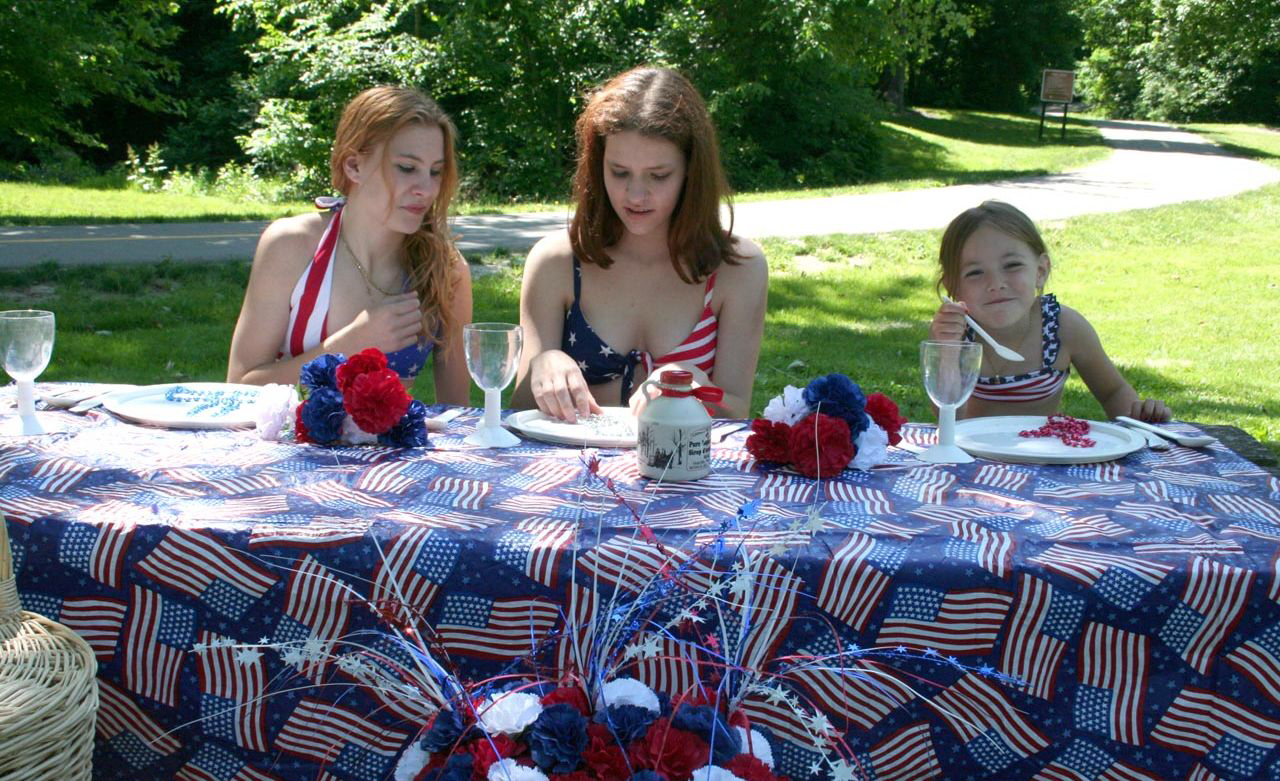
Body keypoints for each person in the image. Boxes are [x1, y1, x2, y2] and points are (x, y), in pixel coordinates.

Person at [512, 66, 767, 421]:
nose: (635, 195)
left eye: (658, 176)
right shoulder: (556, 261)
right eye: (619, 172)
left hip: (681, 459)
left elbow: (736, 413)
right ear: (597, 165)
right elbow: (520, 411)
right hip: (571, 457)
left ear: (691, 172)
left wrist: (698, 385)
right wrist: (543, 364)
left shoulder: (737, 268)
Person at [227, 86, 471, 404]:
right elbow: (239, 387)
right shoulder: (292, 246)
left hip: (391, 441)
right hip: (284, 438)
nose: (426, 189)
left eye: (436, 172)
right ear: (353, 165)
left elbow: (456, 412)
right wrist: (349, 345)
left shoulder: (447, 269)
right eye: (407, 168)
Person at [928, 200, 1170, 421]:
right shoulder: (954, 333)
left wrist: (1141, 419)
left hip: (1045, 451)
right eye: (975, 272)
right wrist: (948, 350)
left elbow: (1113, 392)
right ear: (953, 286)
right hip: (973, 453)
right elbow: (949, 420)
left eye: (1012, 265)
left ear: (1040, 271)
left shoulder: (1063, 327)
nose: (996, 284)